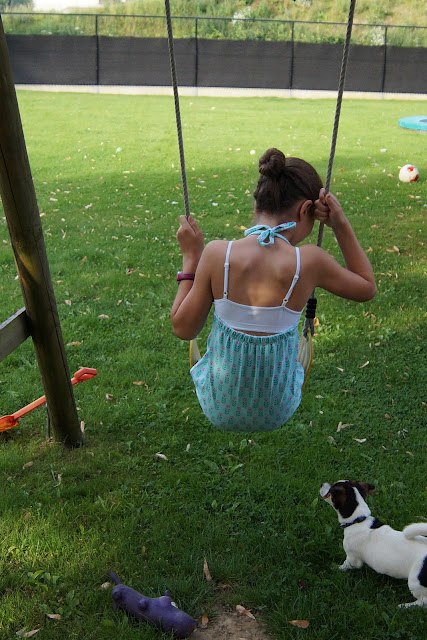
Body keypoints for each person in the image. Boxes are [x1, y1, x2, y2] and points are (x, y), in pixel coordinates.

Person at [171, 148, 377, 432]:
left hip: (217, 406)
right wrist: (339, 224)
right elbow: (367, 286)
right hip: (278, 408)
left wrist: (191, 257)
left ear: (257, 207)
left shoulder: (218, 254)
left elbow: (183, 329)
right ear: (306, 210)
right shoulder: (309, 261)